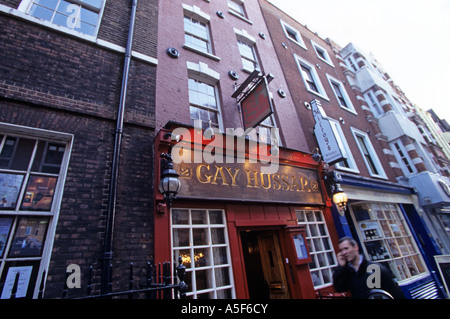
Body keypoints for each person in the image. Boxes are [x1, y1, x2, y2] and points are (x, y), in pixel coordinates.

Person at [333, 237, 405, 299]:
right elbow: (339, 288)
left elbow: (395, 291)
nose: (344, 253)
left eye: (346, 248)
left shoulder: (374, 268)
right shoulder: (346, 271)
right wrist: (340, 267)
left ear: (356, 247)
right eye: (341, 250)